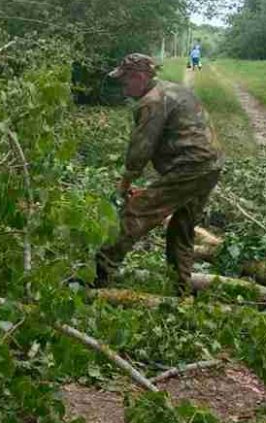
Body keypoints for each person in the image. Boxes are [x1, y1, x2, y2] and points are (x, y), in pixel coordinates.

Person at [95, 53, 223, 293]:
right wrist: (158, 187)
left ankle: (98, 274)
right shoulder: (172, 90)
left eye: (126, 80)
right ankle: (181, 290)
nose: (123, 86)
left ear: (141, 77)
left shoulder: (151, 101)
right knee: (182, 229)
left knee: (135, 214)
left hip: (190, 168)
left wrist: (123, 187)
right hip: (210, 166)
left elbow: (140, 151)